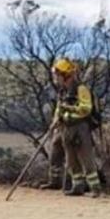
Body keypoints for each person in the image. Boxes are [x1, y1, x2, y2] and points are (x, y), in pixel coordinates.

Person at [40, 58, 102, 197]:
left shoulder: (81, 89)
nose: (56, 78)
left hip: (80, 127)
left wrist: (68, 109)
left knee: (86, 157)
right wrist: (56, 120)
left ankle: (95, 188)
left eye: (58, 75)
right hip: (66, 127)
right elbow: (58, 108)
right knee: (71, 159)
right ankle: (77, 186)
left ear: (66, 75)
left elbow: (86, 109)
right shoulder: (63, 91)